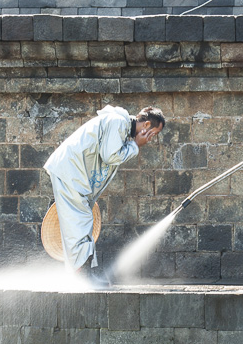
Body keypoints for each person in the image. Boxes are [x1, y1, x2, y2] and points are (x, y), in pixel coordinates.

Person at [44, 105, 165, 281]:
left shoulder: (121, 126)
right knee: (80, 222)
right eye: (154, 133)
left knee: (81, 222)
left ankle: (84, 274)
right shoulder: (118, 122)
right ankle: (82, 275)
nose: (152, 138)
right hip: (69, 171)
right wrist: (135, 145)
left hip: (74, 174)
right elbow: (110, 156)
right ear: (146, 125)